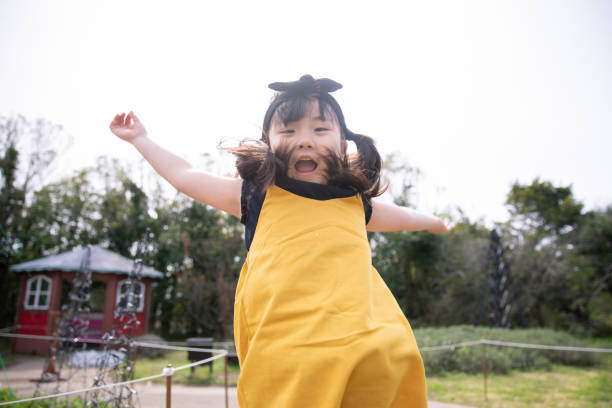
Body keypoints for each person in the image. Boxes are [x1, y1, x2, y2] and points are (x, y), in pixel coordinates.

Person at [110, 75, 452, 408]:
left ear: (343, 141)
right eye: (288, 131)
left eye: (320, 129)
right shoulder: (256, 194)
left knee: (393, 360)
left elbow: (404, 217)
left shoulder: (354, 202)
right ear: (268, 143)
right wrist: (141, 139)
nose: (304, 140)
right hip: (285, 337)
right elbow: (186, 176)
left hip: (356, 331)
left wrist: (434, 222)